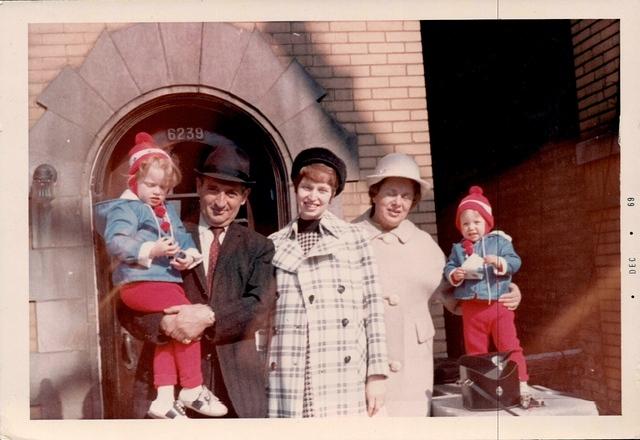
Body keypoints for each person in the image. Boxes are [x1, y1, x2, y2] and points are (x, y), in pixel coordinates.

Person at [352, 153, 522, 416]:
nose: (398, 203)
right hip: (363, 366)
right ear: (374, 194)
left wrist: (504, 291)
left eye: (406, 196)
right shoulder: (347, 237)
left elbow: (459, 298)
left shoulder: (424, 245)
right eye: (391, 193)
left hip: (413, 369)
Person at [118, 142, 277, 418]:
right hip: (170, 387)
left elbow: (261, 304)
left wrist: (209, 316)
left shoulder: (258, 247)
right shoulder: (166, 235)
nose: (220, 201)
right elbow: (127, 302)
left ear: (244, 196)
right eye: (213, 189)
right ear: (200, 185)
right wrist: (165, 324)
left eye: (231, 193)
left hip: (236, 388)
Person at [95, 132, 227, 419]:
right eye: (150, 184)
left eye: (163, 188)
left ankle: (164, 397)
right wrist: (150, 248)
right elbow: (116, 240)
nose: (157, 192)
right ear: (134, 181)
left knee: (168, 334)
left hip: (164, 280)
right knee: (187, 319)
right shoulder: (126, 208)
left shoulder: (166, 210)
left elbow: (180, 237)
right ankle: (192, 387)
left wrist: (186, 257)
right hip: (139, 282)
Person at [267, 147, 388, 418]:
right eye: (307, 188)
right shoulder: (274, 244)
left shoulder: (355, 238)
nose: (313, 197)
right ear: (295, 188)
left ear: (332, 195)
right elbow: (267, 317)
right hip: (290, 369)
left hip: (341, 370)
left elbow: (373, 308)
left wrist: (376, 374)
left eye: (322, 190)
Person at [444, 185, 535, 408]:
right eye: (465, 223)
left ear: (487, 221)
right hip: (472, 308)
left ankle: (521, 381)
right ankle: (481, 384)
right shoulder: (458, 248)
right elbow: (449, 268)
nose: (471, 228)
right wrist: (455, 275)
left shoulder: (500, 242)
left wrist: (500, 262)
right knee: (475, 349)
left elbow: (515, 262)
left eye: (476, 222)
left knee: (509, 344)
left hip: (498, 305)